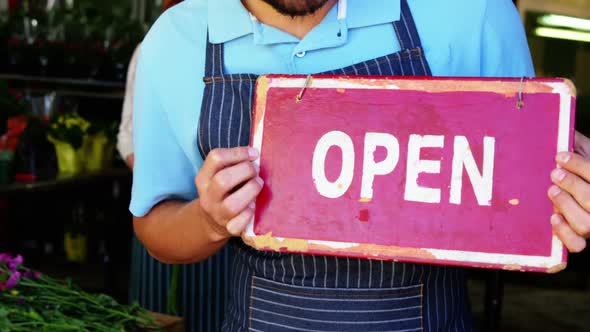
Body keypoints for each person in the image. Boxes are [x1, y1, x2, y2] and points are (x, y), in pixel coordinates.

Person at [131, 0, 590, 330]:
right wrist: (209, 220)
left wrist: (569, 195)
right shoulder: (178, 41)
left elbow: (535, 197)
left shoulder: (471, 13)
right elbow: (155, 229)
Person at [118, 2, 232, 332]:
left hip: (221, 217)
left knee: (213, 312)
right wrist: (159, 172)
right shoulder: (159, 43)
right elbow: (126, 134)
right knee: (157, 314)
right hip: (164, 210)